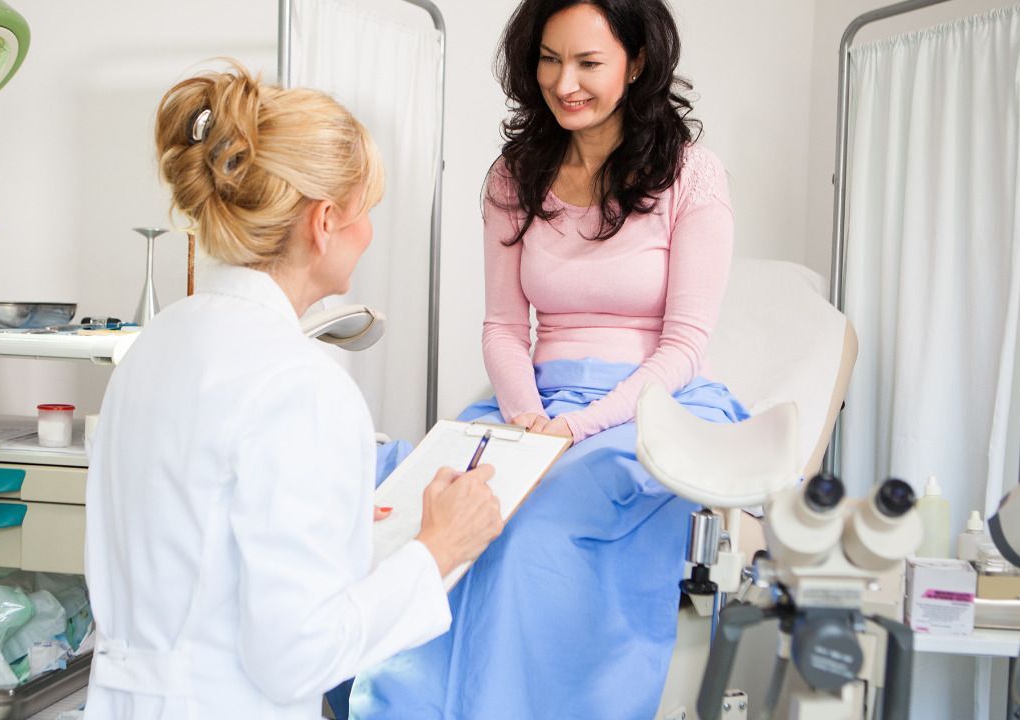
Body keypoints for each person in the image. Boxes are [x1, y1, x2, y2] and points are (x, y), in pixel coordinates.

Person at [349, 1, 747, 718]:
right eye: (549, 59)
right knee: (435, 505)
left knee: (527, 528)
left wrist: (578, 427)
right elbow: (503, 327)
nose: (565, 82)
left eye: (589, 62)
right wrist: (527, 414)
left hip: (652, 408)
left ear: (639, 63)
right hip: (531, 403)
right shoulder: (514, 176)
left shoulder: (693, 175)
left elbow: (685, 347)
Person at [83, 62, 504, 720]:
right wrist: (438, 551)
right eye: (367, 211)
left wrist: (339, 539)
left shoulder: (155, 345)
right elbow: (297, 657)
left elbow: (196, 547)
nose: (369, 233)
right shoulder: (301, 384)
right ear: (326, 221)